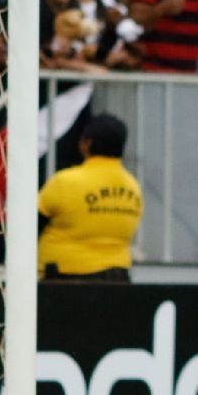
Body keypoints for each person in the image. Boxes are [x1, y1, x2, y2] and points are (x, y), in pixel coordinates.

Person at [37, 114, 143, 281]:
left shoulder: (66, 181)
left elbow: (32, 225)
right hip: (117, 278)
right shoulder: (133, 187)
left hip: (64, 278)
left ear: (87, 143)